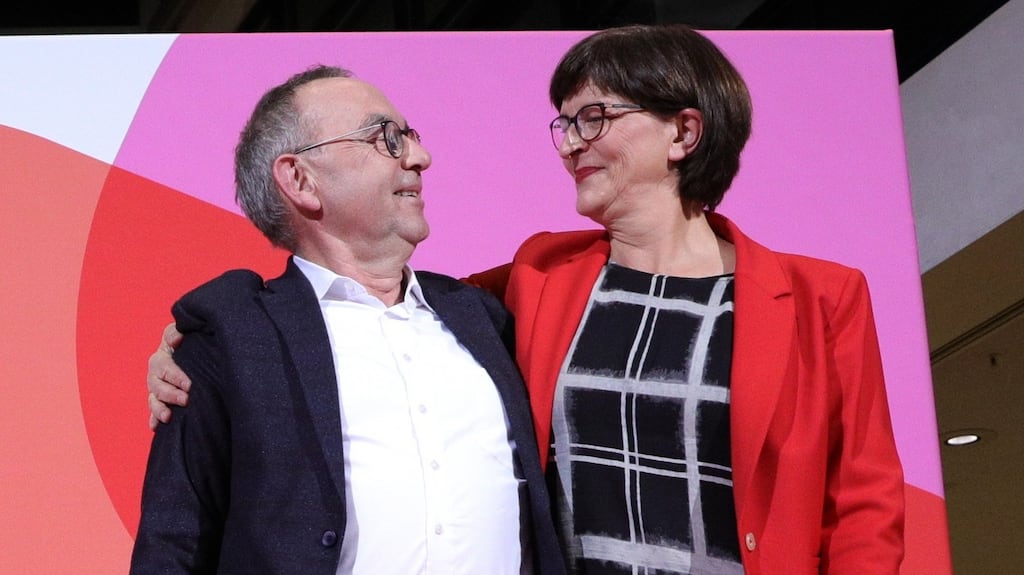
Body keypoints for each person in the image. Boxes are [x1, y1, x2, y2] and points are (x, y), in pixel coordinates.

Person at [147, 25, 905, 574]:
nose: (572, 142)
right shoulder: (539, 280)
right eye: (566, 123)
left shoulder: (819, 298)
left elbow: (866, 506)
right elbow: (361, 302)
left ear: (684, 131)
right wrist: (190, 340)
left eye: (595, 118)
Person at [130, 64, 565, 575]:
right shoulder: (231, 336)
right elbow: (172, 544)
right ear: (300, 180)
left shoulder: (486, 318)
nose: (421, 157)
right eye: (386, 137)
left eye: (411, 137)